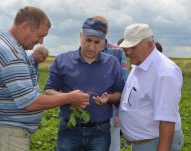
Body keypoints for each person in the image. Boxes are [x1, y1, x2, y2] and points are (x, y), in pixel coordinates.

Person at [0, 6, 89, 151]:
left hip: (2, 131)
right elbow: (30, 102)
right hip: (6, 135)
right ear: (25, 27)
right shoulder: (10, 52)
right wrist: (69, 97)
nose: (41, 42)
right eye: (40, 35)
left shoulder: (2, 42)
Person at [44, 17, 124, 151]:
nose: (92, 46)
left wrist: (108, 99)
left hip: (100, 131)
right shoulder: (63, 60)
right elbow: (49, 91)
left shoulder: (112, 63)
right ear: (81, 36)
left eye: (97, 42)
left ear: (104, 42)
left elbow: (119, 93)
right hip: (70, 128)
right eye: (88, 40)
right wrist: (69, 98)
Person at [119, 23, 184, 151]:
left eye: (133, 47)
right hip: (144, 142)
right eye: (126, 48)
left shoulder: (165, 73)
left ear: (149, 44)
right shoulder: (139, 64)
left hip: (156, 143)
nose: (127, 52)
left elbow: (167, 121)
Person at [92, 16, 128, 151]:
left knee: (112, 146)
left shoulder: (117, 51)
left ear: (105, 31)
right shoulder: (83, 50)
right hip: (89, 111)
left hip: (111, 110)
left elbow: (123, 84)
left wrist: (119, 113)